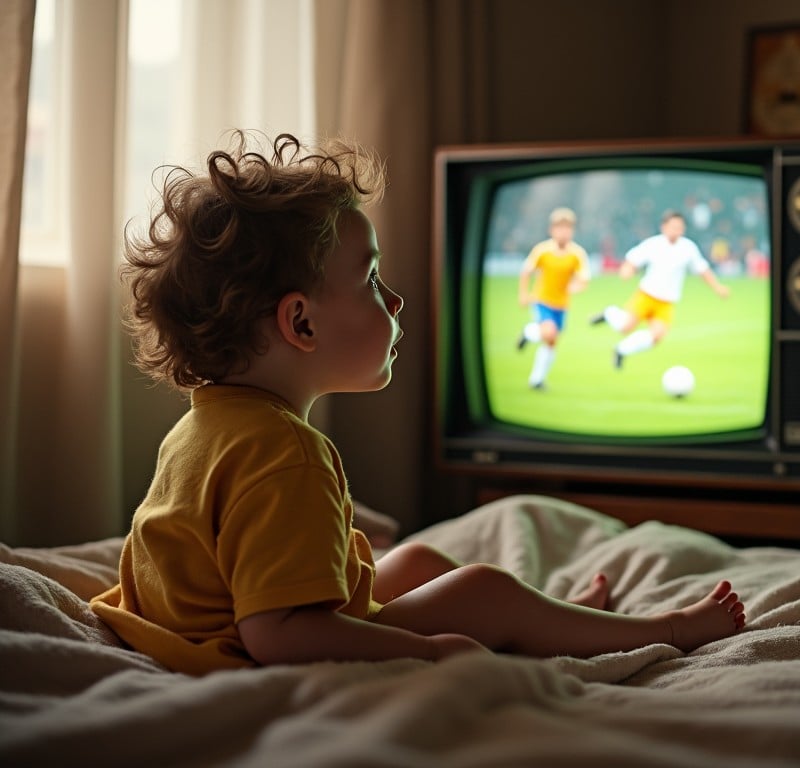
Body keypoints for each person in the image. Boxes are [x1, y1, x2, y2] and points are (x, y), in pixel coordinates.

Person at [90, 132, 745, 676]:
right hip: (227, 651)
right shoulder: (286, 452)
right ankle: (660, 627)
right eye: (372, 280)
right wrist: (428, 648)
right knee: (482, 591)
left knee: (418, 565)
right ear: (303, 324)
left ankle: (554, 618)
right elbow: (276, 635)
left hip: (208, 624)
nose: (396, 302)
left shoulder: (206, 421)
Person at [591, 210, 730, 368]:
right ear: (663, 227)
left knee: (657, 336)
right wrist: (627, 270)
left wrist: (718, 287)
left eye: (679, 227)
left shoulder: (688, 248)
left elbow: (702, 270)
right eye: (672, 227)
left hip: (667, 301)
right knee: (625, 327)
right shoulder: (653, 244)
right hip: (647, 295)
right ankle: (609, 313)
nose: (676, 231)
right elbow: (633, 259)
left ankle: (621, 350)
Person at [516, 207, 590, 389]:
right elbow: (526, 271)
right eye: (559, 228)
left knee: (551, 341)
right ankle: (529, 332)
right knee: (549, 332)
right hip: (542, 300)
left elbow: (584, 280)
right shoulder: (542, 250)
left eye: (567, 228)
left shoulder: (577, 253)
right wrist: (524, 294)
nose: (563, 232)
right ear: (552, 230)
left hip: (562, 304)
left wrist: (575, 286)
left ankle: (537, 379)